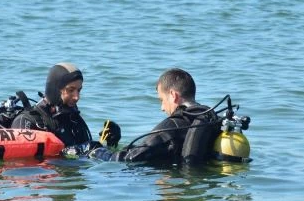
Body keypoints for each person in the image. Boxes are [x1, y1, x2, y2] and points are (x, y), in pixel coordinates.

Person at [90, 67, 221, 165]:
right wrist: (111, 146)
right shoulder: (210, 121)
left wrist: (97, 151)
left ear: (173, 95)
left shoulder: (172, 126)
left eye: (161, 100)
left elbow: (130, 158)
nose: (162, 108)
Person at [11, 62, 104, 156]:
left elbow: (88, 152)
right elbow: (21, 164)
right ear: (55, 89)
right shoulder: (27, 121)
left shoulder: (74, 120)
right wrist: (69, 153)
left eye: (79, 90)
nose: (77, 97)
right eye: (70, 90)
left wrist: (109, 144)